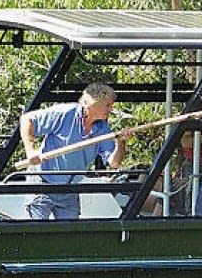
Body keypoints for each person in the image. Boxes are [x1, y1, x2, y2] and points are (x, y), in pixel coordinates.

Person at [20, 82, 133, 220]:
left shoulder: (103, 129)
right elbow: (27, 119)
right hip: (42, 181)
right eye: (108, 105)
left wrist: (121, 142)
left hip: (69, 188)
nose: (111, 110)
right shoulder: (65, 113)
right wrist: (31, 151)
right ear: (93, 103)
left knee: (69, 233)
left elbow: (114, 163)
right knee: (35, 232)